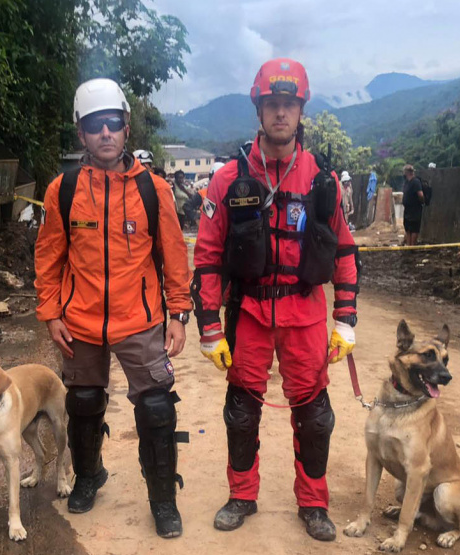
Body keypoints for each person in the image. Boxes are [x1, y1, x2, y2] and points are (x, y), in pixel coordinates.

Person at [191, 58, 359, 542]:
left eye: (289, 104)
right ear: (259, 110)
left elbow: (344, 250)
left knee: (314, 415)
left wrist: (345, 318)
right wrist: (208, 327)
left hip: (304, 312)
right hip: (248, 312)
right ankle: (242, 494)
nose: (280, 113)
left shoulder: (322, 179)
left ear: (301, 110)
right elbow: (207, 257)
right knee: (242, 408)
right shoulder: (227, 180)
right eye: (272, 104)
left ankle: (313, 503)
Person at [35, 77, 192, 538]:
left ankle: (163, 499)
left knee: (158, 407)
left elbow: (174, 256)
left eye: (113, 124)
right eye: (94, 125)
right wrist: (50, 313)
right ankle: (88, 476)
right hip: (79, 320)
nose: (105, 133)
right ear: (81, 133)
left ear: (127, 130)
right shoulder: (62, 191)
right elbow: (48, 256)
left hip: (140, 320)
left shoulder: (153, 190)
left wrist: (178, 314)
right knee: (82, 402)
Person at [401, 164, 425, 245]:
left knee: (414, 228)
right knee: (408, 228)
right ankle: (409, 246)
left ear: (407, 172)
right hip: (408, 209)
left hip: (415, 209)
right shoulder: (407, 182)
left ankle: (412, 247)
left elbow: (420, 195)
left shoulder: (415, 182)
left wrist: (422, 202)